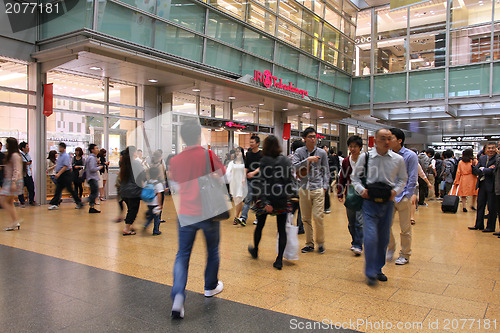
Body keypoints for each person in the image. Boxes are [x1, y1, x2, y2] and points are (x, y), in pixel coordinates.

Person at [169, 120, 226, 319]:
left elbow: (175, 184)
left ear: (183, 137)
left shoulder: (175, 160)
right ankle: (210, 286)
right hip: (208, 212)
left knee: (182, 255)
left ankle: (178, 297)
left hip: (185, 212)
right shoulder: (207, 155)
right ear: (198, 136)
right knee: (212, 251)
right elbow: (223, 176)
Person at [351, 128, 407, 286]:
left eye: (389, 138)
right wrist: (362, 191)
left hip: (387, 203)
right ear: (375, 140)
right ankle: (370, 273)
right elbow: (354, 178)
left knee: (383, 239)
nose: (387, 142)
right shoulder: (366, 157)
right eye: (383, 138)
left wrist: (395, 192)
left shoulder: (398, 159)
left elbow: (403, 179)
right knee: (370, 237)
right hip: (369, 203)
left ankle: (378, 268)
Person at [248, 135, 294, 270]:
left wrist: (265, 201)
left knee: (260, 225)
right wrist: (288, 196)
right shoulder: (285, 160)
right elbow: (289, 180)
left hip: (267, 199)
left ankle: (256, 249)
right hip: (281, 199)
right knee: (281, 229)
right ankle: (279, 259)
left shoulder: (265, 160)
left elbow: (262, 182)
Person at [292, 127, 330, 254]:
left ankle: (320, 243)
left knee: (318, 217)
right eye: (310, 137)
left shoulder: (322, 153)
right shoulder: (299, 151)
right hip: (303, 188)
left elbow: (326, 170)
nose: (313, 139)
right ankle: (309, 244)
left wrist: (325, 186)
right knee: (305, 218)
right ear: (304, 139)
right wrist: (307, 160)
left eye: (315, 137)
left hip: (317, 187)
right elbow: (294, 166)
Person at [387, 128, 418, 266]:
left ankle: (405, 254)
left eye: (390, 138)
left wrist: (408, 194)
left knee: (405, 228)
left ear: (399, 140)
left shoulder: (410, 156)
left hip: (403, 196)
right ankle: (390, 247)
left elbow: (412, 176)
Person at [337, 135, 364, 256]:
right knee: (351, 221)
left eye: (355, 146)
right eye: (350, 146)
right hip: (350, 193)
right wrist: (340, 192)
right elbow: (342, 177)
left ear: (360, 147)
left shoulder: (365, 160)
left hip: (362, 194)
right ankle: (355, 241)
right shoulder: (346, 161)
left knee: (359, 221)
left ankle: (358, 244)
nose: (352, 149)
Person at [469, 142, 497, 232]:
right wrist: (485, 170)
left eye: (493, 148)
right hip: (482, 184)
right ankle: (479, 224)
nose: (491, 150)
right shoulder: (482, 158)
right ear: (485, 150)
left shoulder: (497, 159)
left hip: (492, 185)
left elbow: (494, 171)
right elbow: (475, 169)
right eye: (489, 148)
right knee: (480, 205)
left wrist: (483, 169)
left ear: (496, 149)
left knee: (491, 207)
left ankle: (490, 227)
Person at [48, 142, 84, 210]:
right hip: (61, 174)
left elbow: (65, 166)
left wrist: (59, 174)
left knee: (69, 189)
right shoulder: (60, 156)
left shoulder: (65, 156)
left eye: (60, 147)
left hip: (65, 175)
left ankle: (79, 202)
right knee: (58, 189)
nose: (59, 149)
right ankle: (55, 203)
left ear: (63, 148)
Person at [119, 146, 144, 235]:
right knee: (133, 209)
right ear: (134, 153)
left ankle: (131, 225)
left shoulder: (124, 163)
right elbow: (142, 175)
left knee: (130, 208)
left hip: (124, 190)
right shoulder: (136, 163)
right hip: (133, 191)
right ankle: (127, 228)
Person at [0, 137, 24, 230]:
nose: (5, 145)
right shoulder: (12, 155)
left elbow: (16, 170)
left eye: (7, 143)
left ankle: (15, 220)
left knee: (3, 201)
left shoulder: (15, 156)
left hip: (12, 181)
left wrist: (14, 182)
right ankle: (15, 221)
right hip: (10, 180)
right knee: (9, 202)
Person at [240, 135, 262, 226]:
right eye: (250, 142)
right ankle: (243, 218)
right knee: (247, 199)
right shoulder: (248, 154)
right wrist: (243, 178)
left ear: (257, 143)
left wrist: (254, 172)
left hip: (259, 181)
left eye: (252, 142)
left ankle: (258, 218)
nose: (251, 144)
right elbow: (246, 166)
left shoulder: (262, 154)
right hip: (249, 180)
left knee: (257, 200)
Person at [226, 147, 247, 225]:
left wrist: (244, 179)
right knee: (236, 201)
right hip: (233, 183)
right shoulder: (232, 163)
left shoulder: (244, 162)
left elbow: (246, 171)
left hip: (241, 183)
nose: (238, 153)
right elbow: (228, 172)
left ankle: (236, 217)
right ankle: (238, 216)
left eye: (239, 151)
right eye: (236, 152)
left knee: (239, 200)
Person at [289, 140, 304, 234]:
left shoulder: (288, 158)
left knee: (291, 208)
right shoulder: (303, 159)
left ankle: (288, 225)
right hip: (301, 185)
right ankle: (300, 227)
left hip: (290, 186)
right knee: (301, 208)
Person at [143, 166, 164, 236]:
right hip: (155, 203)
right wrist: (160, 204)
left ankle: (146, 224)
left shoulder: (147, 182)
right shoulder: (158, 184)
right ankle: (156, 230)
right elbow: (159, 195)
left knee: (151, 215)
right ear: (158, 174)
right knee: (156, 218)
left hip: (149, 202)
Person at [85, 144, 103, 214]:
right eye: (96, 148)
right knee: (95, 193)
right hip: (92, 177)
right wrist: (99, 168)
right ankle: (85, 201)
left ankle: (91, 207)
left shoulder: (91, 157)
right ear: (92, 150)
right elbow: (92, 168)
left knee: (94, 192)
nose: (98, 149)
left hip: (90, 177)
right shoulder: (92, 158)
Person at [18, 141, 36, 207]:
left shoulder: (28, 155)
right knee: (20, 189)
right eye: (27, 146)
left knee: (31, 188)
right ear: (23, 148)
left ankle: (31, 200)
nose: (28, 148)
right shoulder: (19, 155)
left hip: (28, 174)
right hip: (22, 175)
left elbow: (30, 164)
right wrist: (25, 163)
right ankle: (22, 202)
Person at [114, 150, 126, 223]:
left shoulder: (128, 164)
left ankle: (124, 215)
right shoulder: (121, 162)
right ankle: (121, 215)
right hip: (120, 184)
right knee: (120, 200)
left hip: (124, 185)